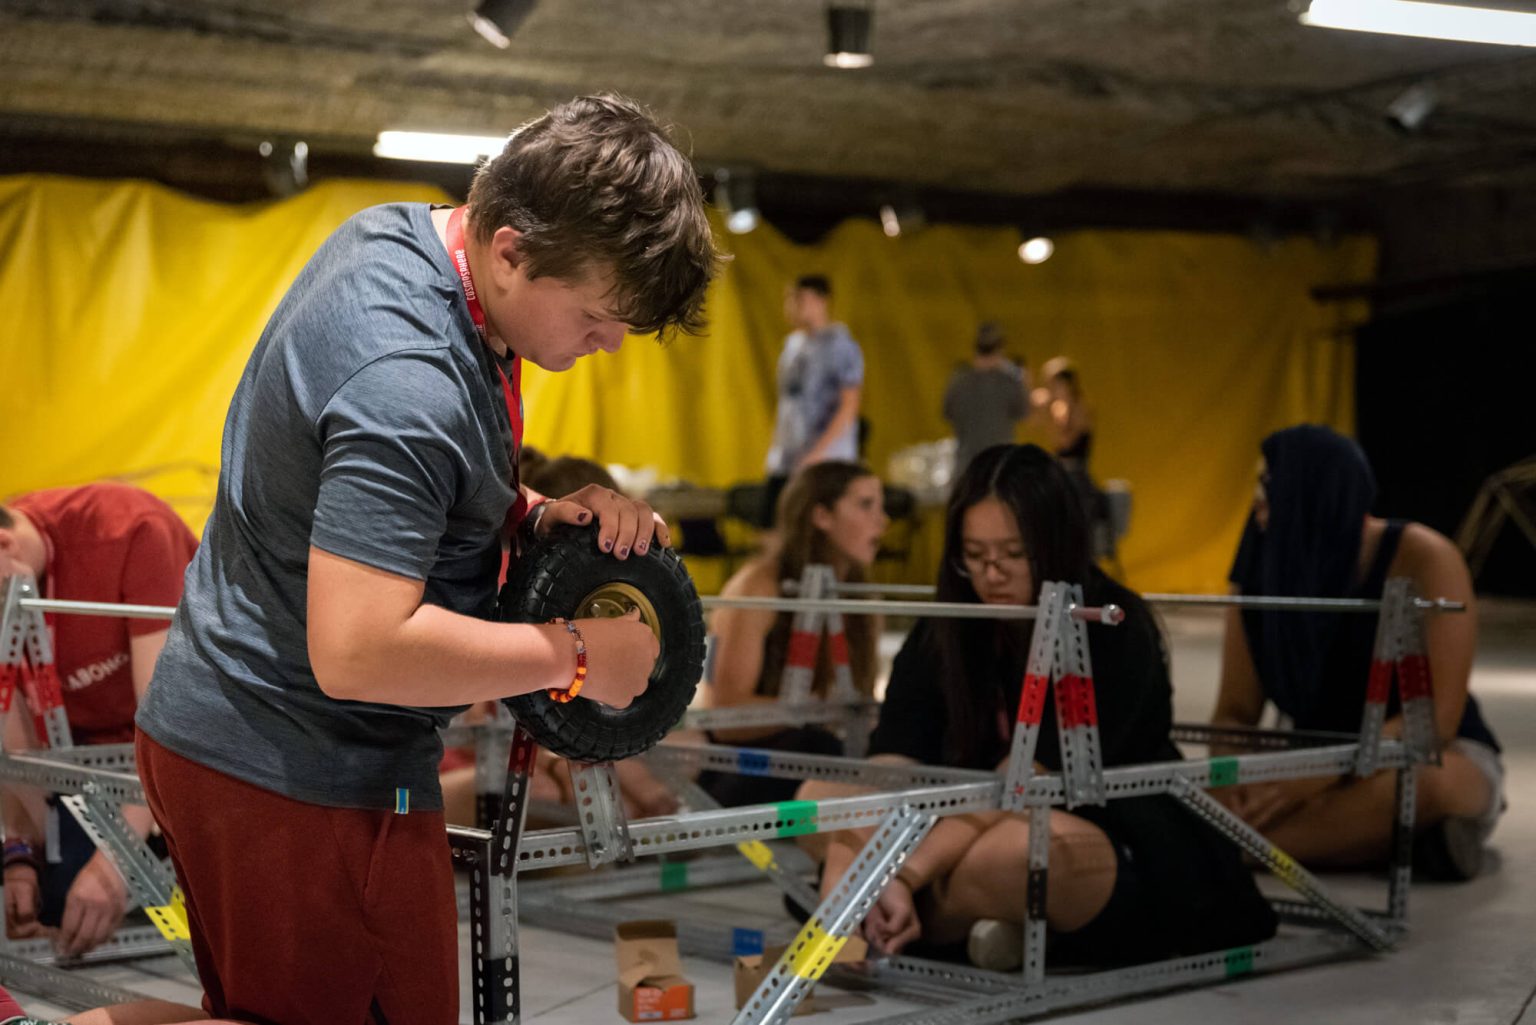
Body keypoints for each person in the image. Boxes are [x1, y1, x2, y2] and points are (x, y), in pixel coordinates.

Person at [130, 94, 719, 1025]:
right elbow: (359, 649)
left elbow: (385, 493)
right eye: (597, 316)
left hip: (295, 744)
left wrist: (531, 515)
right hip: (290, 762)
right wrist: (575, 655)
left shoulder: (410, 243)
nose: (608, 343)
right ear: (511, 249)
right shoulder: (406, 375)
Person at [797, 445, 1276, 970]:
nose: (991, 574)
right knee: (821, 797)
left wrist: (903, 872)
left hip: (1088, 827)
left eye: (1013, 553)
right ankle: (925, 915)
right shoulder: (951, 623)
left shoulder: (1111, 624)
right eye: (974, 555)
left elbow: (1026, 782)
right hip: (959, 817)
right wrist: (850, 856)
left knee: (1013, 854)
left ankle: (895, 914)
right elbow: (895, 756)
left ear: (1054, 543)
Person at [1212, 424, 1504, 879]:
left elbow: (1434, 723)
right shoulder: (1258, 570)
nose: (1257, 505)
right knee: (1194, 785)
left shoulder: (1424, 556)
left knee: (1423, 787)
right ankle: (1375, 843)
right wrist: (1231, 781)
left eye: (1268, 487)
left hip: (1419, 753)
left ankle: (1228, 851)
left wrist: (1321, 773)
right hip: (1306, 757)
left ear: (1315, 493)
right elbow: (1233, 714)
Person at [0, 483, 198, 959]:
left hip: (181, 754)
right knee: (55, 899)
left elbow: (171, 725)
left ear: (5, 544)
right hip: (95, 768)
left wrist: (115, 864)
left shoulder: (130, 531)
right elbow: (11, 732)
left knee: (89, 888)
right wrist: (19, 854)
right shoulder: (12, 569)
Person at [700, 462, 887, 806]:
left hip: (819, 756)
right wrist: (819, 710)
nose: (882, 520)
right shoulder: (759, 586)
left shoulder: (861, 598)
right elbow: (726, 717)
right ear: (822, 516)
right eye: (865, 505)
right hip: (747, 767)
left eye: (880, 505)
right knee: (823, 751)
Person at [762, 276, 864, 526]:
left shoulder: (840, 345)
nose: (792, 306)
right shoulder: (793, 345)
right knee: (775, 530)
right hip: (787, 459)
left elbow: (849, 405)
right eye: (789, 299)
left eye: (800, 299)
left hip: (825, 463)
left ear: (821, 300)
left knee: (817, 533)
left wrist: (816, 453)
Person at [942, 323, 1029, 480]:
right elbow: (1024, 412)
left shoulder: (959, 380)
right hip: (999, 469)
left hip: (966, 468)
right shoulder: (1008, 382)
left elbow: (947, 412)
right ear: (1000, 349)